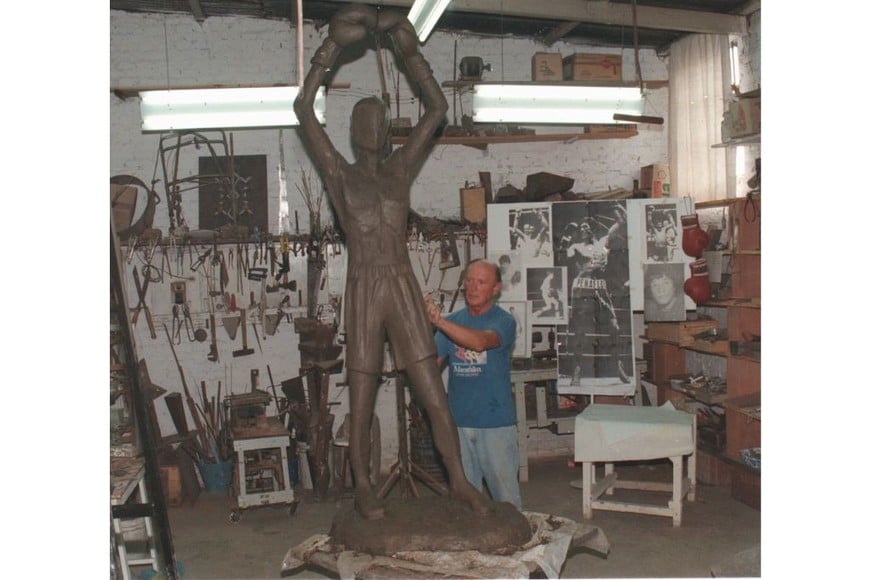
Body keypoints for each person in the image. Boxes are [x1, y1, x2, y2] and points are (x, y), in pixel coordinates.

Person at [294, 5, 491, 520]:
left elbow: (437, 109)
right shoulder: (338, 172)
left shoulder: (402, 167)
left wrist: (410, 50)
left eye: (378, 119)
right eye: (364, 118)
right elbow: (301, 108)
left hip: (401, 284)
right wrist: (330, 49)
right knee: (361, 396)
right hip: (363, 286)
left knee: (431, 392)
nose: (372, 124)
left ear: (384, 131)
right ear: (355, 128)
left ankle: (460, 483)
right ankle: (363, 484)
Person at [424, 260, 522, 509]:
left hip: (495, 424)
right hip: (457, 425)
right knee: (467, 504)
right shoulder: (453, 321)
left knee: (507, 503)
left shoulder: (504, 321)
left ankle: (521, 548)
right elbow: (429, 366)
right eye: (469, 280)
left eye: (481, 282)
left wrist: (440, 323)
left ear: (496, 288)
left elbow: (479, 343)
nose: (473, 287)